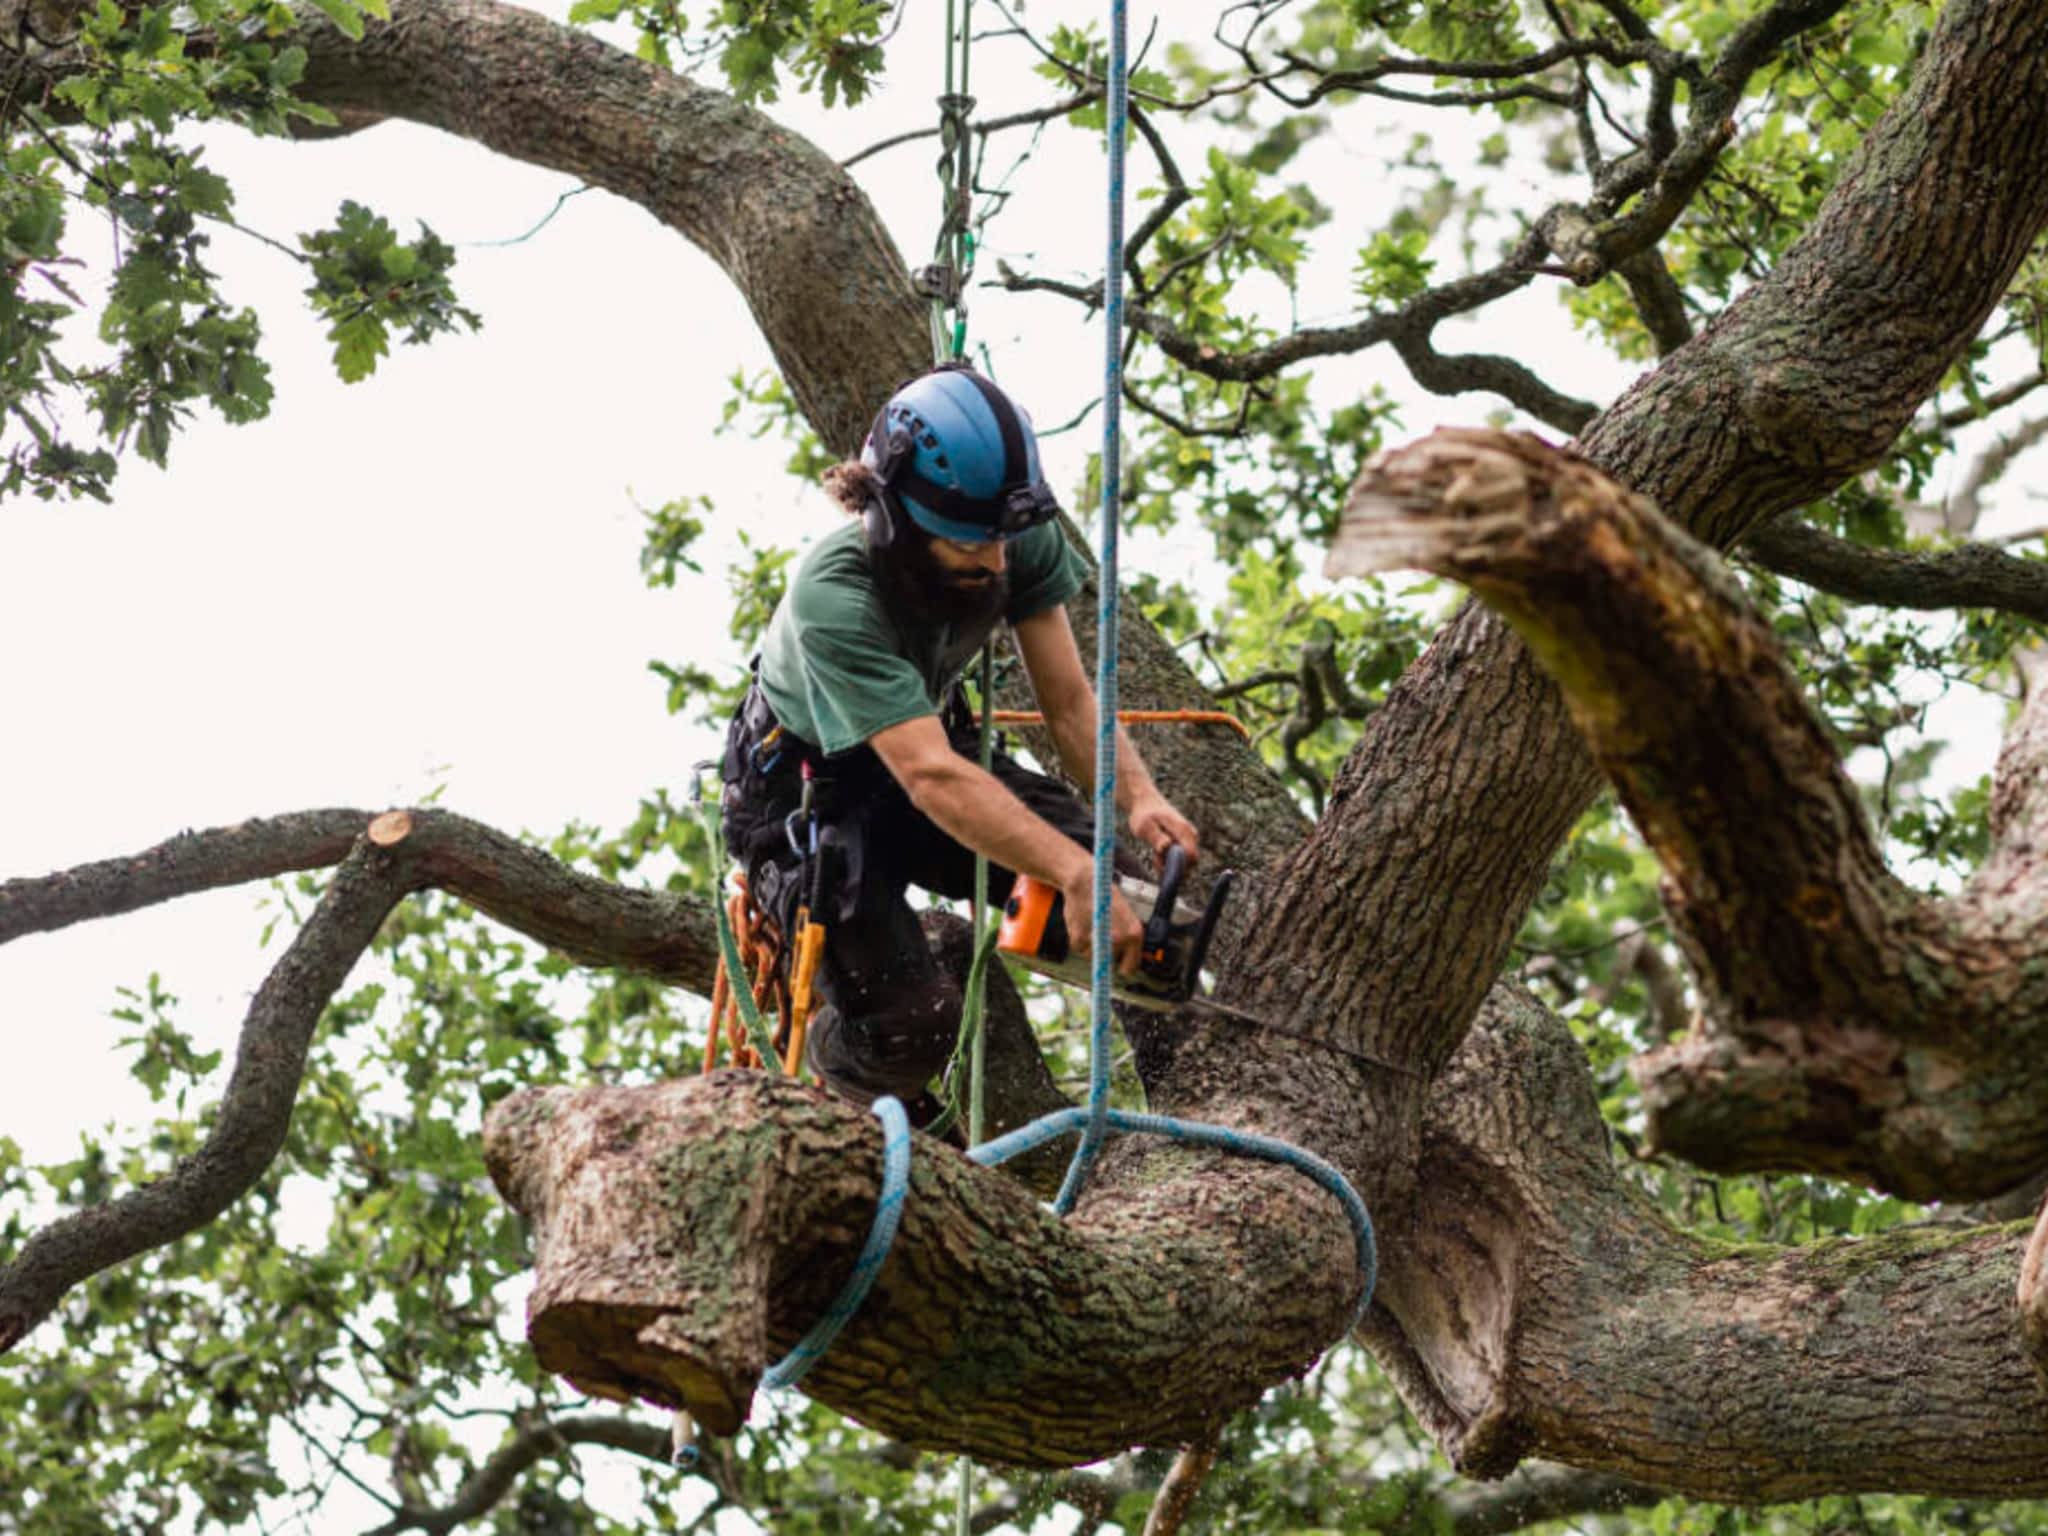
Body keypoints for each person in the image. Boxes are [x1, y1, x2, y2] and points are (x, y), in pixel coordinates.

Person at [718, 363, 1200, 1118]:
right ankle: (842, 1064)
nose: (996, 561)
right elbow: (932, 779)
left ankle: (1193, 1098)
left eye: (1003, 538)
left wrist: (1137, 797)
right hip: (811, 799)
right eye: (970, 542)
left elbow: (1069, 703)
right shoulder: (834, 596)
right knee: (910, 1022)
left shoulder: (1007, 530)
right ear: (891, 519)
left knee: (1134, 910)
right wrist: (1069, 872)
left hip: (926, 757)